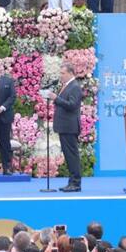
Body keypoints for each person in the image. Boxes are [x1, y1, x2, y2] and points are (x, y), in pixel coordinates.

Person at [47, 63, 83, 192]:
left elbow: (72, 105)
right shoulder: (67, 86)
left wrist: (56, 98)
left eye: (63, 73)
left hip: (69, 126)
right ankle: (71, 182)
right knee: (68, 156)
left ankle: (76, 183)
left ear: (70, 73)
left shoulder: (75, 87)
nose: (61, 76)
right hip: (64, 126)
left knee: (72, 156)